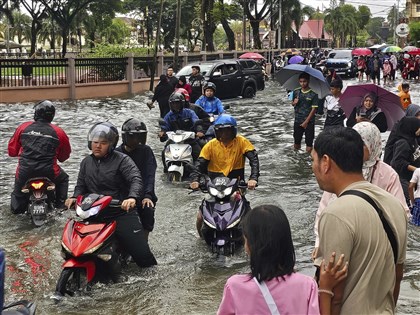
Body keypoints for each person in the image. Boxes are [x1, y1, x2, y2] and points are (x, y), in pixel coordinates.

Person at [311, 127, 407, 314]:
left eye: (313, 159)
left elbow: (333, 299)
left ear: (325, 162)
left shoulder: (335, 214)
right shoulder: (395, 205)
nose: (312, 167)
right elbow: (398, 276)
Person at [217, 204, 348, 315]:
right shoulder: (307, 286)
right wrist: (326, 288)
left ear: (250, 246)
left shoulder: (235, 286)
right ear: (286, 242)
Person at [64, 122, 157, 267]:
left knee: (144, 258)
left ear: (111, 144)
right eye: (95, 142)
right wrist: (74, 197)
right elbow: (81, 185)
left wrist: (132, 197)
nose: (98, 146)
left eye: (103, 143)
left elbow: (135, 179)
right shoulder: (86, 162)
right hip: (93, 212)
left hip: (120, 211)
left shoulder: (123, 160)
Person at [313, 122, 410, 259]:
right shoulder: (341, 170)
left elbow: (401, 213)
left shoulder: (387, 174)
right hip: (344, 236)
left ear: (373, 144)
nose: (355, 148)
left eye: (361, 144)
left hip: (376, 243)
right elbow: (323, 211)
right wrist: (319, 243)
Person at [190, 114, 259, 235]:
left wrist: (253, 178)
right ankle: (200, 237)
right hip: (214, 187)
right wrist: (195, 180)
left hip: (236, 186)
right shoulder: (210, 145)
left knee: (248, 214)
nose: (224, 134)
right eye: (221, 131)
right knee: (200, 216)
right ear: (217, 132)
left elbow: (254, 160)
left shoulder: (242, 142)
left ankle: (251, 238)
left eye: (227, 130)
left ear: (233, 131)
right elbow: (199, 164)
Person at [8, 100, 71, 213]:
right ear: (52, 115)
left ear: (36, 113)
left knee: (17, 198)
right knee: (63, 179)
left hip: (24, 172)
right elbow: (64, 156)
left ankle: (16, 210)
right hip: (50, 172)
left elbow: (12, 151)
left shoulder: (23, 128)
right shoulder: (59, 132)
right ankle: (60, 207)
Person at [115, 119, 157, 241]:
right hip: (122, 194)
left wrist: (148, 195)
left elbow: (150, 174)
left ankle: (144, 240)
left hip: (143, 194)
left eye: (139, 137)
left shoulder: (146, 151)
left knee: (148, 210)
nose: (136, 141)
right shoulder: (117, 153)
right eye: (133, 137)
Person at [159, 92, 202, 170]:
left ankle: (199, 171)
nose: (175, 105)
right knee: (164, 152)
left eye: (177, 103)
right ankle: (166, 169)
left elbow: (196, 121)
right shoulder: (168, 116)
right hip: (174, 141)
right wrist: (162, 132)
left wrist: (199, 130)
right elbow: (164, 126)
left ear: (182, 103)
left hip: (190, 140)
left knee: (199, 153)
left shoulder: (189, 113)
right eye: (173, 104)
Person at [385, 117, 420, 205]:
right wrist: (415, 169)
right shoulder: (403, 143)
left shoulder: (413, 139)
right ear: (411, 127)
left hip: (413, 177)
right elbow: (397, 162)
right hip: (404, 180)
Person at [291, 72, 319, 152]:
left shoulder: (313, 94)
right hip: (298, 120)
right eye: (301, 81)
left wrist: (306, 122)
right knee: (296, 143)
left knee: (309, 145)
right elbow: (293, 104)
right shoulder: (296, 92)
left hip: (309, 122)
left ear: (308, 81)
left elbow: (314, 109)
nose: (302, 83)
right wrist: (294, 103)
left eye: (304, 81)